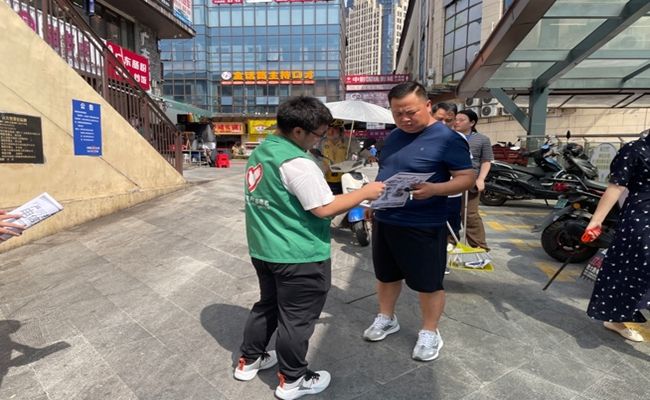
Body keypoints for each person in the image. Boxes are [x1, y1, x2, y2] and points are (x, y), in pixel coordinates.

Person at [235, 96, 385, 399]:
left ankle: (249, 360)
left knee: (267, 306)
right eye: (319, 134)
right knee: (296, 319)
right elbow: (323, 208)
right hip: (298, 254)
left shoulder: (263, 150)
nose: (321, 139)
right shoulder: (298, 163)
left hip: (264, 248)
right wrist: (365, 192)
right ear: (298, 131)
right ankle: (293, 380)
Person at [363, 82, 474, 362]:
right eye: (397, 113)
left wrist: (435, 189)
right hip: (387, 218)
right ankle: (386, 317)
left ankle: (430, 331)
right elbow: (386, 172)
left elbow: (466, 178)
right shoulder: (393, 137)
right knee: (386, 275)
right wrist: (375, 203)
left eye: (410, 112)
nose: (404, 119)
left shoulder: (448, 139)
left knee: (428, 282)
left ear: (427, 106)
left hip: (424, 222)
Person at [583, 134, 650, 342]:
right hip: (641, 218)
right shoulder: (634, 150)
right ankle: (614, 319)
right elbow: (616, 187)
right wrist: (596, 220)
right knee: (630, 270)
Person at [454, 109, 493, 251]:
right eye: (456, 119)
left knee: (470, 215)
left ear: (472, 123)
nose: (457, 122)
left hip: (471, 181)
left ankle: (479, 248)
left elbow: (486, 161)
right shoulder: (449, 137)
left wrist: (481, 179)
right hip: (451, 181)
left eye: (461, 120)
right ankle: (450, 244)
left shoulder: (482, 139)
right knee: (451, 214)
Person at [318, 119, 357, 194]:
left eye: (335, 129)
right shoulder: (321, 142)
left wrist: (369, 157)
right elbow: (313, 153)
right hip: (325, 177)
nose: (330, 132)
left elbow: (360, 151)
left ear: (341, 131)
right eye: (328, 129)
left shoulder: (349, 141)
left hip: (344, 177)